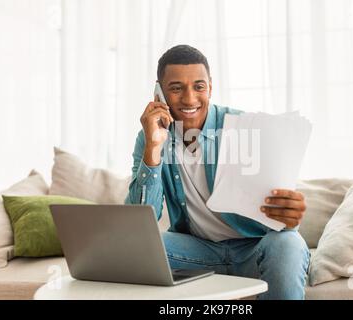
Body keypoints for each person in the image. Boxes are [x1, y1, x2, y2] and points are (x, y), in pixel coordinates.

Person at [125, 44, 310, 300]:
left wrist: (289, 215)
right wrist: (153, 148)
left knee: (289, 244)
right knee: (132, 247)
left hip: (253, 249)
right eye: (176, 88)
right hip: (196, 253)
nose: (189, 99)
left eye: (199, 87)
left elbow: (282, 214)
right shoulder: (150, 137)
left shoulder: (246, 129)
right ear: (159, 92)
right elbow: (138, 221)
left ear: (210, 86)